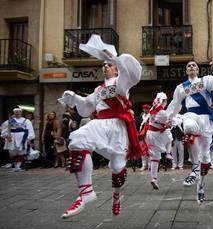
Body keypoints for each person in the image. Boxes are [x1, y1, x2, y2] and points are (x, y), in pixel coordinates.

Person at [57, 34, 142, 218]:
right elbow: (87, 107)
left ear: (116, 69)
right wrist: (73, 98)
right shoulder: (98, 90)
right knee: (77, 140)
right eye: (103, 65)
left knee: (118, 167)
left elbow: (134, 75)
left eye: (109, 65)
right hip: (101, 125)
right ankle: (86, 192)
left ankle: (117, 197)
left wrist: (115, 59)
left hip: (117, 129)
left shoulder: (121, 82)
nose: (105, 67)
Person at [166, 60, 213, 204]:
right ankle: (195, 169)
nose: (191, 67)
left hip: (207, 119)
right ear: (186, 71)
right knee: (189, 127)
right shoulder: (181, 88)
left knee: (205, 157)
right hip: (192, 115)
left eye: (194, 65)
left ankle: (200, 186)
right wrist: (168, 118)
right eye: (188, 65)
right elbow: (175, 104)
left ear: (197, 70)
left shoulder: (206, 81)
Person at [140, 92, 172, 189]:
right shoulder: (162, 112)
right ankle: (168, 153)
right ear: (163, 101)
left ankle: (154, 178)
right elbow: (168, 124)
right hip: (157, 134)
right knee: (170, 136)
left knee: (155, 157)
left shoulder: (152, 109)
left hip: (149, 134)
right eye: (165, 101)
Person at [1, 108, 35, 172]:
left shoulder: (26, 120)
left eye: (19, 112)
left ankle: (18, 167)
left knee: (21, 151)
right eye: (16, 112)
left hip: (22, 137)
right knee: (12, 152)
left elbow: (30, 129)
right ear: (14, 113)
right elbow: (4, 128)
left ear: (21, 113)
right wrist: (6, 136)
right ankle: (15, 166)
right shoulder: (10, 120)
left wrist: (29, 138)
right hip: (12, 136)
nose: (17, 113)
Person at [138, 104, 151, 171]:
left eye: (146, 109)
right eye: (144, 108)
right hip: (141, 135)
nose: (145, 110)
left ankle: (149, 165)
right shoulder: (141, 116)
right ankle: (144, 165)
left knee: (149, 150)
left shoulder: (151, 116)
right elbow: (138, 124)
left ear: (149, 109)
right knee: (142, 151)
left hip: (148, 134)